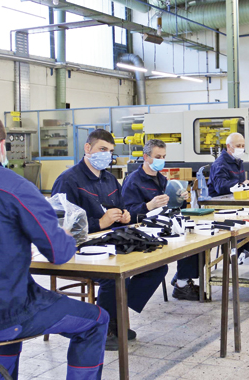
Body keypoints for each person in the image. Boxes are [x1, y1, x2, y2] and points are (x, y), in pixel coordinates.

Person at [0, 113, 108, 380]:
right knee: (96, 320)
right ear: (2, 146)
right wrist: (65, 235)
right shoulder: (16, 187)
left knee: (10, 305)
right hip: (3, 315)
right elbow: (58, 253)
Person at [51, 129, 168, 351]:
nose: (106, 154)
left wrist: (125, 216)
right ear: (88, 148)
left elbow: (123, 207)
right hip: (80, 248)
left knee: (157, 265)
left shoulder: (110, 179)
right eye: (102, 149)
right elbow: (59, 226)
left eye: (110, 151)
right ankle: (104, 329)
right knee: (113, 277)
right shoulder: (68, 180)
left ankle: (116, 313)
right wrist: (99, 223)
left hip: (110, 241)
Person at [122, 139, 200, 301]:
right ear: (146, 157)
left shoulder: (162, 179)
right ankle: (126, 304)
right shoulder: (133, 181)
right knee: (159, 267)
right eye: (158, 157)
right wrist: (148, 206)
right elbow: (127, 214)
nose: (161, 160)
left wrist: (180, 198)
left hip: (164, 225)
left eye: (164, 156)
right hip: (144, 230)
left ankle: (182, 281)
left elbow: (171, 205)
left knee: (197, 241)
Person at [208, 132, 249, 254]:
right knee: (247, 226)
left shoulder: (238, 162)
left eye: (242, 146)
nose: (241, 148)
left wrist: (246, 186)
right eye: (238, 145)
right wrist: (240, 185)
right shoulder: (220, 164)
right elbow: (220, 187)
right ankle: (240, 257)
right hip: (223, 207)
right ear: (228, 146)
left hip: (236, 203)